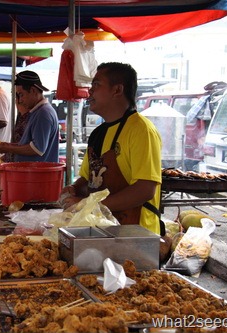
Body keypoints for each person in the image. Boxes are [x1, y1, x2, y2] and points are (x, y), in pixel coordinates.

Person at [59, 62, 162, 234]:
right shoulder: (98, 133)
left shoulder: (141, 130)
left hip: (135, 234)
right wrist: (74, 189)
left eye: (96, 85)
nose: (90, 91)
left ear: (117, 90)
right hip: (101, 229)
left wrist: (87, 205)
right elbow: (88, 179)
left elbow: (145, 190)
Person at [0, 71, 59, 162]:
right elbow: (27, 144)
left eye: (21, 94)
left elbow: (37, 149)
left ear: (33, 91)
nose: (20, 100)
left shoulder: (43, 113)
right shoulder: (36, 112)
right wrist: (7, 146)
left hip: (38, 174)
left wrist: (8, 148)